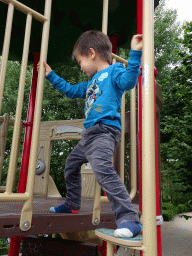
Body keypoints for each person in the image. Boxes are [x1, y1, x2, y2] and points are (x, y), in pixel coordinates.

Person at [39, 30, 142, 238]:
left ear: (92, 53)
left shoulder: (114, 71)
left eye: (80, 61)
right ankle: (72, 204)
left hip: (105, 131)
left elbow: (129, 81)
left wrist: (135, 54)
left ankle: (130, 219)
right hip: (89, 135)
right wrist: (50, 75)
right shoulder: (90, 84)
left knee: (102, 169)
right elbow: (69, 90)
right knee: (71, 164)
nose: (80, 67)